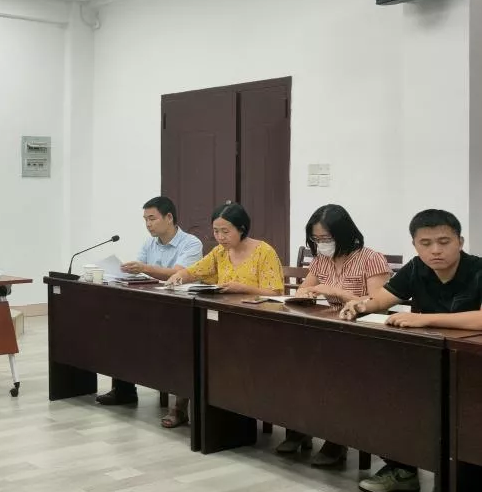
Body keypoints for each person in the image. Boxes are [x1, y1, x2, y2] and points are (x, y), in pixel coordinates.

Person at [340, 209, 482, 492]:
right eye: (425, 243)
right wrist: (361, 305)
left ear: (460, 242)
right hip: (425, 362)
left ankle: (451, 483)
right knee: (391, 396)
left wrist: (425, 318)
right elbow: (383, 298)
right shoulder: (417, 268)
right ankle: (402, 470)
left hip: (470, 367)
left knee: (455, 414)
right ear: (415, 245)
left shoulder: (478, 270)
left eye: (444, 241)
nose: (435, 250)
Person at [276, 204, 391, 464]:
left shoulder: (371, 258)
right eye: (316, 239)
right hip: (327, 329)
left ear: (344, 233)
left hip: (362, 333)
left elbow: (379, 303)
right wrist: (306, 293)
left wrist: (337, 292)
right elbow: (303, 290)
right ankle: (299, 427)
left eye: (326, 238)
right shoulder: (321, 260)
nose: (321, 244)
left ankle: (336, 439)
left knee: (332, 371)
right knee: (291, 363)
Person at [164, 202, 283, 427]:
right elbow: (195, 270)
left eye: (225, 231)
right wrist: (179, 276)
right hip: (224, 321)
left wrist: (243, 288)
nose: (220, 237)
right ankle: (181, 407)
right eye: (216, 231)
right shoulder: (220, 252)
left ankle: (228, 409)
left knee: (211, 349)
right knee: (191, 346)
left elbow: (276, 293)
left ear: (242, 228)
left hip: (256, 324)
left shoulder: (264, 251)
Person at [97, 196, 203, 406]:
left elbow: (178, 274)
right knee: (119, 326)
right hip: (153, 304)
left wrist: (144, 268)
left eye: (152, 219)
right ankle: (124, 390)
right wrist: (127, 271)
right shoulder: (149, 243)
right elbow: (140, 272)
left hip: (180, 308)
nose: (148, 224)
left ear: (169, 217)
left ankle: (178, 398)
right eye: (145, 219)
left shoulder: (191, 243)